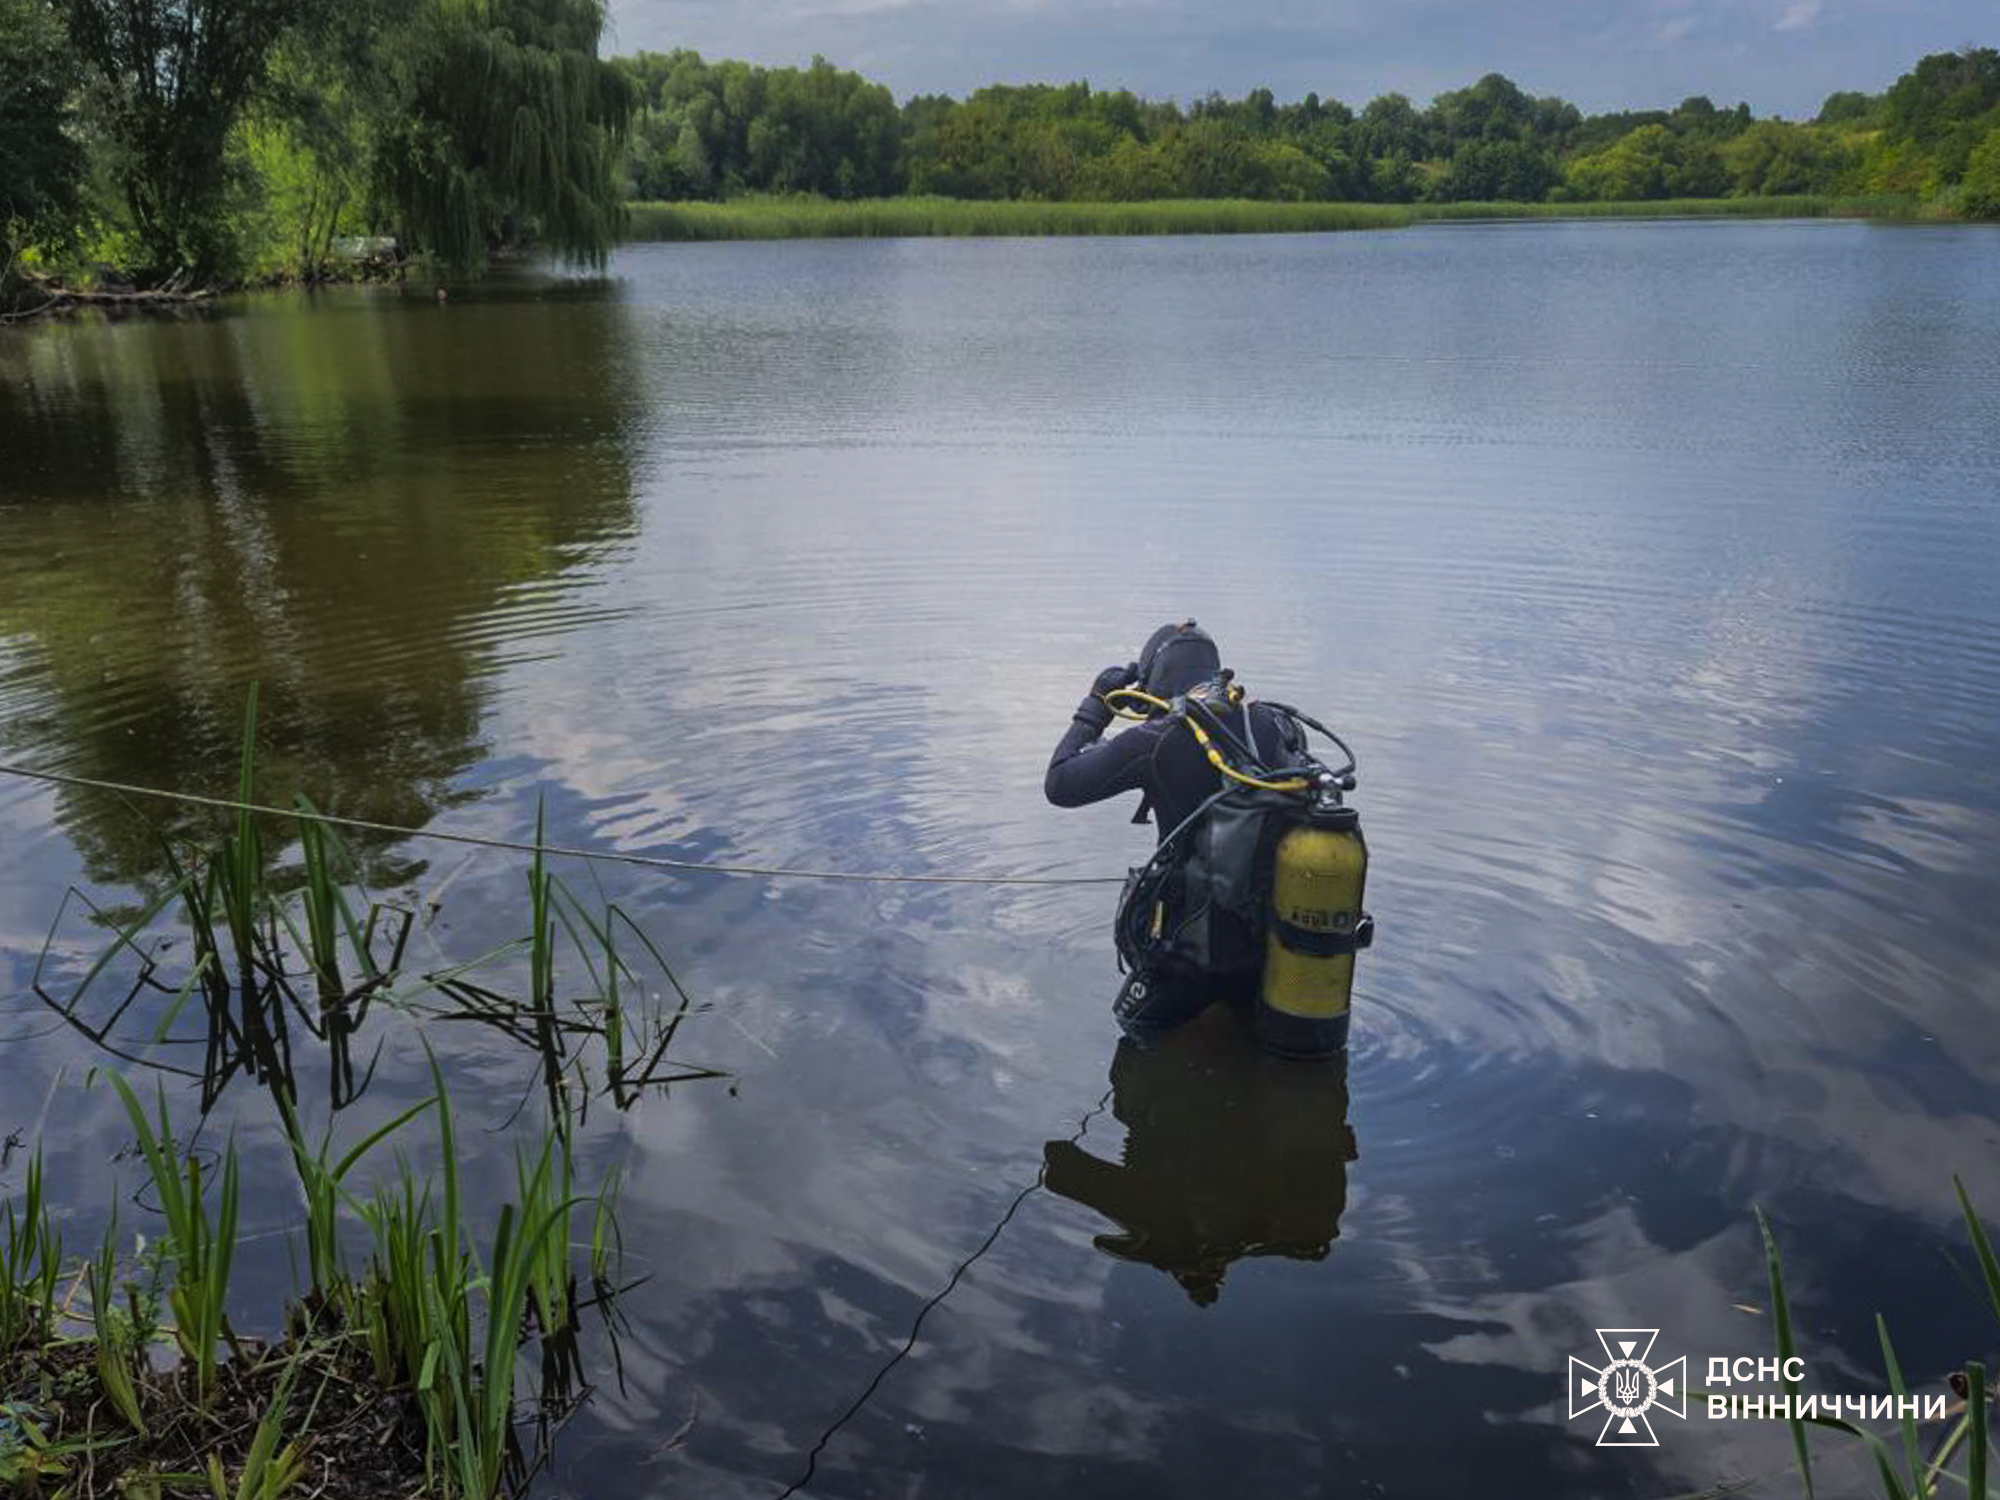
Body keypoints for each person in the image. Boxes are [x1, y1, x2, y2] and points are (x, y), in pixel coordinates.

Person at [1045, 620, 1309, 1043]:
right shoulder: (1278, 725)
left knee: (1135, 1041)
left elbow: (1060, 783)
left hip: (1188, 954)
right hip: (1272, 946)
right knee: (1260, 1048)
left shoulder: (1155, 739)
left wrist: (1096, 704)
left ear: (1156, 677)